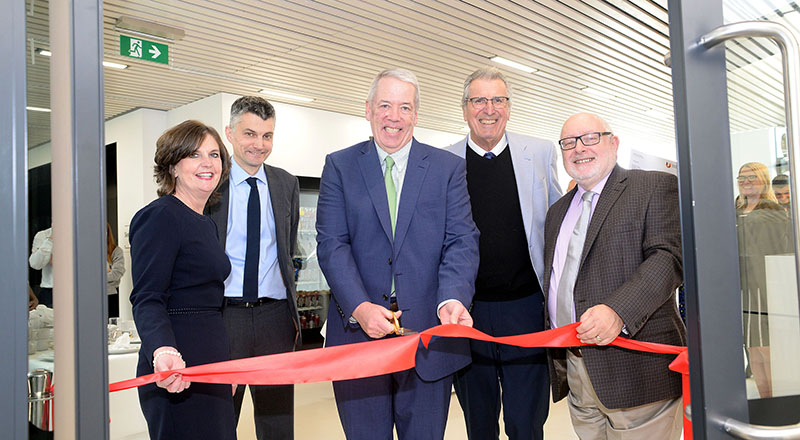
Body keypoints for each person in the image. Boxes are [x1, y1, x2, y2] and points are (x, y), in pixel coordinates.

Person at [316, 68, 480, 440]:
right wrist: (359, 307)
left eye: (405, 107)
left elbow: (461, 240)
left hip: (428, 336)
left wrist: (452, 297)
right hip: (357, 338)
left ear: (416, 114)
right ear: (369, 109)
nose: (394, 116)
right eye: (385, 105)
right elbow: (331, 244)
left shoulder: (447, 169)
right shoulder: (339, 166)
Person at [543, 113, 685, 439]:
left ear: (614, 143)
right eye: (568, 143)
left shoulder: (652, 186)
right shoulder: (557, 213)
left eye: (590, 138)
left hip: (635, 369)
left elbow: (668, 259)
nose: (579, 148)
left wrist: (618, 311)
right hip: (578, 368)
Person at [444, 66, 561, 440]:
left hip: (525, 308)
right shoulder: (443, 161)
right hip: (466, 311)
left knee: (525, 423)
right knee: (478, 423)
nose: (488, 109)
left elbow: (557, 222)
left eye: (498, 100)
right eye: (479, 100)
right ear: (464, 109)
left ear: (509, 108)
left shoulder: (540, 153)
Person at [129, 120, 236, 439]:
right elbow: (148, 297)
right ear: (173, 166)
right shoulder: (160, 216)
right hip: (176, 368)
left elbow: (211, 306)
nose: (208, 163)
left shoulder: (206, 224)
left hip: (209, 363)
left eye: (215, 155)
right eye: (194, 155)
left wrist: (224, 364)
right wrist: (163, 350)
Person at [205, 96, 300, 439]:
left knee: (277, 421)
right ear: (229, 133)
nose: (259, 145)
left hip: (274, 318)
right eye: (250, 134)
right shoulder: (211, 182)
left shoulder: (286, 183)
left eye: (267, 135)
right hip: (223, 316)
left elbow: (287, 248)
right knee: (218, 416)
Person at [735, 162, 791, 398]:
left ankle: (775, 402)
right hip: (741, 286)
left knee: (766, 348)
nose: (746, 183)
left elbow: (781, 248)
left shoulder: (773, 210)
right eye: (742, 178)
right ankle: (763, 400)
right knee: (752, 348)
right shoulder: (735, 208)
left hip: (765, 285)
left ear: (763, 180)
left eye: (751, 178)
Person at [29, 226, 53, 307]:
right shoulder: (43, 235)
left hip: (80, 288)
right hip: (50, 290)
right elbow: (35, 264)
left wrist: (51, 257)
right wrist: (50, 240)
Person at [106, 223, 125, 318]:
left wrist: (96, 276)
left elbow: (116, 274)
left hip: (110, 296)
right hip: (90, 296)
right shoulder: (88, 252)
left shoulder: (116, 251)